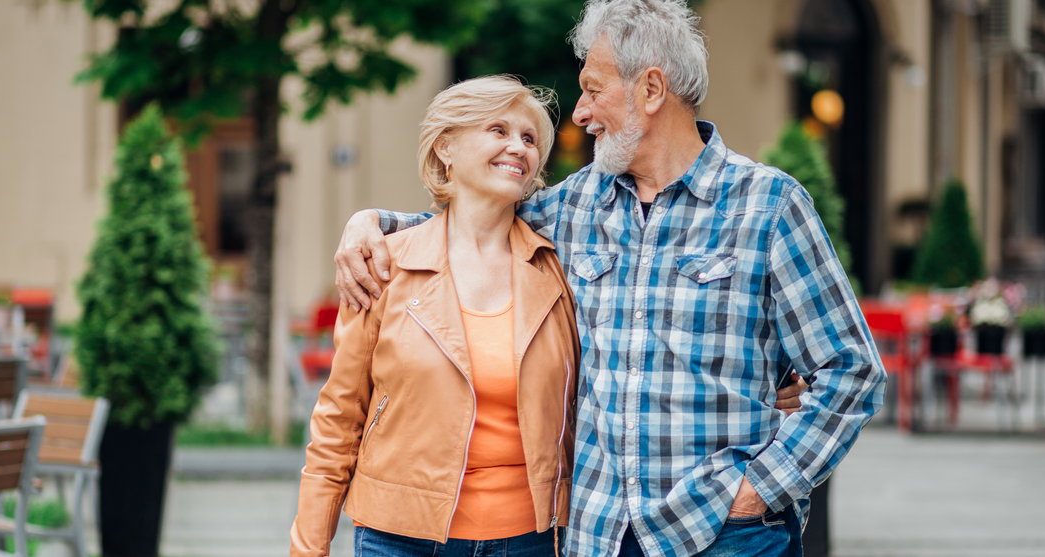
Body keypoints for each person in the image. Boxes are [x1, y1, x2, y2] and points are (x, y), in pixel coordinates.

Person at [333, 1, 885, 556]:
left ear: (650, 91)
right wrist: (374, 226)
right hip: (598, 533)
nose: (579, 112)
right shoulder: (576, 205)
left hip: (726, 533)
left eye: (592, 90)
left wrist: (760, 489)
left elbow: (852, 369)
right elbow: (472, 225)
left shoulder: (768, 205)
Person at [290, 76, 578, 557]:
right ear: (446, 146)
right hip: (400, 537)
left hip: (531, 538)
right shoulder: (383, 266)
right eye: (498, 130)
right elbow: (338, 420)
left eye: (529, 139)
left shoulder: (558, 268)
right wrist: (308, 547)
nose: (518, 147)